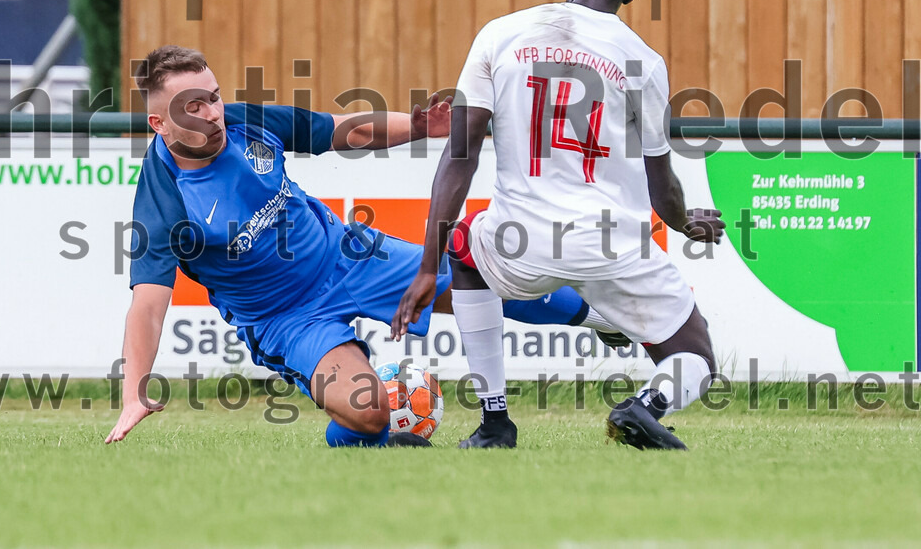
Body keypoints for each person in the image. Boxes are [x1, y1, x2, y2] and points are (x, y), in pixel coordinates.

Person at [106, 46, 615, 448]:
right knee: (370, 412)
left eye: (213, 96)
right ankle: (366, 441)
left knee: (479, 276)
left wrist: (419, 128)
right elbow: (148, 305)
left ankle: (606, 319)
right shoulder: (163, 199)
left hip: (350, 255)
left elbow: (339, 130)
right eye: (192, 107)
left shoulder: (243, 122)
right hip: (287, 319)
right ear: (160, 124)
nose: (212, 113)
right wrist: (134, 393)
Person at [392, 0, 725, 450]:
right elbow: (663, 189)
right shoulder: (643, 61)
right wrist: (688, 224)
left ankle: (495, 422)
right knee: (696, 357)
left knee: (465, 248)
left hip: (519, 243)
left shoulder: (499, 35)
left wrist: (428, 268)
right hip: (611, 248)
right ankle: (646, 406)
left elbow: (460, 155)